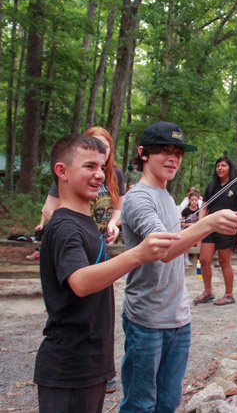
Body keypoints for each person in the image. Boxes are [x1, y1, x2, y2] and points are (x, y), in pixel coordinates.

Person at [34, 134, 181, 413]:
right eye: (89, 166)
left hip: (91, 363)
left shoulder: (85, 222)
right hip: (69, 368)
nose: (99, 175)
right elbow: (80, 282)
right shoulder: (65, 226)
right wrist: (138, 254)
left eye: (102, 167)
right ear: (61, 171)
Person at [119, 122, 237, 413]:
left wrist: (195, 227)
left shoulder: (167, 197)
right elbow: (163, 250)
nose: (173, 158)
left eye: (178, 152)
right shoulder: (138, 198)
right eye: (164, 150)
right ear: (143, 154)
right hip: (146, 320)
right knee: (140, 404)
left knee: (169, 403)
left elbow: (176, 243)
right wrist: (208, 223)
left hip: (179, 318)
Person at [42, 127, 126, 243]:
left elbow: (119, 208)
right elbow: (47, 210)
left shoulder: (116, 173)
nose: (99, 149)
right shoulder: (71, 173)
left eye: (104, 147)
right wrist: (71, 232)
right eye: (89, 167)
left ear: (111, 149)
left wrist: (112, 224)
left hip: (102, 241)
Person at [194, 156, 237, 306]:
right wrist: (200, 224)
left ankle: (229, 294)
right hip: (210, 228)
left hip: (228, 228)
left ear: (230, 168)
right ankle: (208, 291)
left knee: (224, 261)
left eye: (223, 165)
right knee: (204, 260)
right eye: (217, 165)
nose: (219, 168)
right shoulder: (212, 187)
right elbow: (204, 207)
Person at [181, 191, 201, 265]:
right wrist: (190, 225)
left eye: (195, 200)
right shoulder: (185, 211)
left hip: (197, 230)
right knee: (187, 240)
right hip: (187, 230)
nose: (194, 202)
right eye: (192, 200)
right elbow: (182, 224)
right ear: (189, 200)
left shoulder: (200, 210)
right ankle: (186, 258)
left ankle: (199, 259)